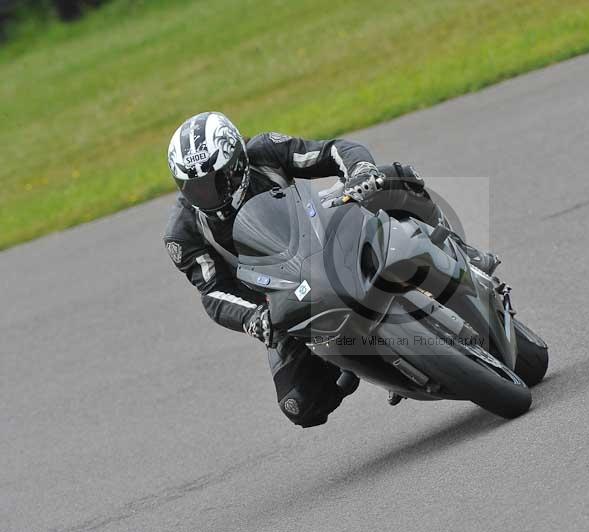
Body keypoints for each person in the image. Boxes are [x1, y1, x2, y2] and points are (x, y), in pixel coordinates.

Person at [163, 111, 498, 428]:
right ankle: (355, 365)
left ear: (236, 163)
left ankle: (462, 251)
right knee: (300, 405)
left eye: (215, 180)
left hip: (323, 238)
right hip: (283, 299)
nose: (206, 194)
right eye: (194, 187)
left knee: (393, 176)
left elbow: (333, 151)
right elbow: (212, 293)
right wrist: (254, 318)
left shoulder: (264, 151)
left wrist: (361, 172)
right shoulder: (184, 233)